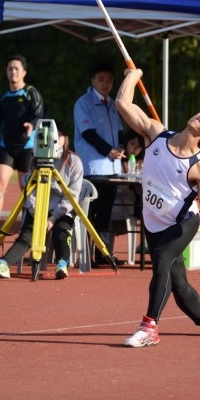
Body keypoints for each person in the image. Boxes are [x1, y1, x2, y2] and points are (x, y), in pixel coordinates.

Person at [115, 68, 200, 347]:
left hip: (182, 222)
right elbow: (123, 104)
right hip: (153, 220)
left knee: (161, 259)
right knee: (180, 288)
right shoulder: (156, 134)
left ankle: (149, 328)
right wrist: (134, 75)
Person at [0, 124, 83, 279]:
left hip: (62, 210)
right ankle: (4, 264)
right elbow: (29, 192)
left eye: (58, 135)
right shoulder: (35, 160)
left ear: (65, 138)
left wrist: (52, 218)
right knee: (26, 235)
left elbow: (72, 196)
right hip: (38, 209)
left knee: (61, 233)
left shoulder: (74, 161)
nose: (53, 139)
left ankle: (62, 264)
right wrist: (37, 213)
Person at [73, 61, 125, 264]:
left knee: (105, 213)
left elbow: (119, 130)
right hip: (93, 168)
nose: (105, 84)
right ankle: (86, 255)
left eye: (110, 80)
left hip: (112, 168)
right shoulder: (83, 103)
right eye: (101, 79)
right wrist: (109, 151)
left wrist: (120, 147)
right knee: (91, 212)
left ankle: (102, 254)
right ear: (92, 80)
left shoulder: (113, 103)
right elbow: (88, 133)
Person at [0, 54, 44, 229]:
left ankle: (28, 225)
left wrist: (31, 125)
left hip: (27, 147)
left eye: (16, 68)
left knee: (26, 189)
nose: (13, 72)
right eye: (10, 68)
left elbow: (38, 114)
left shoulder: (31, 93)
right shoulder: (3, 97)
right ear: (7, 72)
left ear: (24, 72)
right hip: (6, 147)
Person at [109, 129, 145, 264]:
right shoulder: (117, 162)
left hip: (138, 202)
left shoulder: (143, 162)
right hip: (120, 203)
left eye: (139, 146)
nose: (135, 149)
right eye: (132, 144)